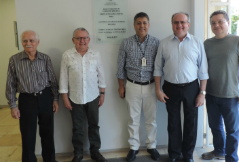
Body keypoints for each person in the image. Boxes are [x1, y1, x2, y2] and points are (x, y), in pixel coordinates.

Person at [154, 12, 209, 162]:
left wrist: (202, 93)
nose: (179, 25)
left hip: (192, 87)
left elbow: (203, 71)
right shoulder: (164, 43)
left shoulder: (197, 43)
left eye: (183, 22)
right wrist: (158, 89)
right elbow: (157, 69)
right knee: (173, 122)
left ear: (188, 24)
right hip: (170, 87)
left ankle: (188, 154)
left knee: (191, 122)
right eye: (176, 22)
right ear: (172, 24)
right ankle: (173, 154)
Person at [201, 10, 239, 162]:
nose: (216, 25)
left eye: (220, 21)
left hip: (230, 95)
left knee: (232, 131)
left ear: (228, 23)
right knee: (215, 128)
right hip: (210, 94)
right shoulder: (206, 44)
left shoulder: (238, 41)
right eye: (213, 23)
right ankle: (219, 151)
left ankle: (231, 158)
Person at [5, 30, 59, 162]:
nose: (28, 43)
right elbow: (10, 84)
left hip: (45, 97)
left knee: (48, 132)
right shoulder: (14, 60)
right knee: (28, 134)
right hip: (26, 100)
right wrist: (13, 105)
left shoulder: (45, 58)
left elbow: (53, 80)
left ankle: (50, 160)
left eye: (31, 40)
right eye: (25, 41)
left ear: (37, 42)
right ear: (22, 43)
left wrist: (55, 99)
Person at [116, 12, 160, 162]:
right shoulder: (126, 42)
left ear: (148, 24)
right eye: (139, 23)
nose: (142, 26)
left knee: (151, 119)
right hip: (132, 85)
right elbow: (120, 66)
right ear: (134, 25)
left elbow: (160, 67)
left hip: (151, 86)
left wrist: (159, 88)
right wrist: (121, 86)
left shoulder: (156, 42)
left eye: (144, 23)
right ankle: (133, 148)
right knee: (133, 119)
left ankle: (151, 146)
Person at [59, 28, 107, 162]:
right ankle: (78, 153)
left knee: (94, 126)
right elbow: (63, 77)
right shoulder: (67, 55)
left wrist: (102, 94)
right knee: (77, 128)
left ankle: (95, 152)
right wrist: (64, 97)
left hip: (93, 96)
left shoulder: (95, 54)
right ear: (73, 40)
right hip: (74, 98)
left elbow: (101, 75)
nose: (82, 41)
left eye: (85, 38)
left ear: (89, 39)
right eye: (79, 38)